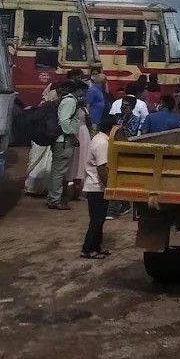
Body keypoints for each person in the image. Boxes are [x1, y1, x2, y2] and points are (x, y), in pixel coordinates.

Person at [81, 115, 119, 259]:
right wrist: (110, 186)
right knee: (97, 220)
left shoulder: (99, 139)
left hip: (95, 186)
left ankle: (96, 247)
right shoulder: (103, 143)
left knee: (99, 219)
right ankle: (88, 249)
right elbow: (102, 168)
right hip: (97, 187)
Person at [47, 80, 86, 211]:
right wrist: (72, 136)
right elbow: (64, 120)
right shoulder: (70, 101)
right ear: (78, 89)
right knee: (59, 171)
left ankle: (54, 197)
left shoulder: (63, 100)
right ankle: (55, 199)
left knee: (57, 170)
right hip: (64, 141)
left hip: (60, 140)